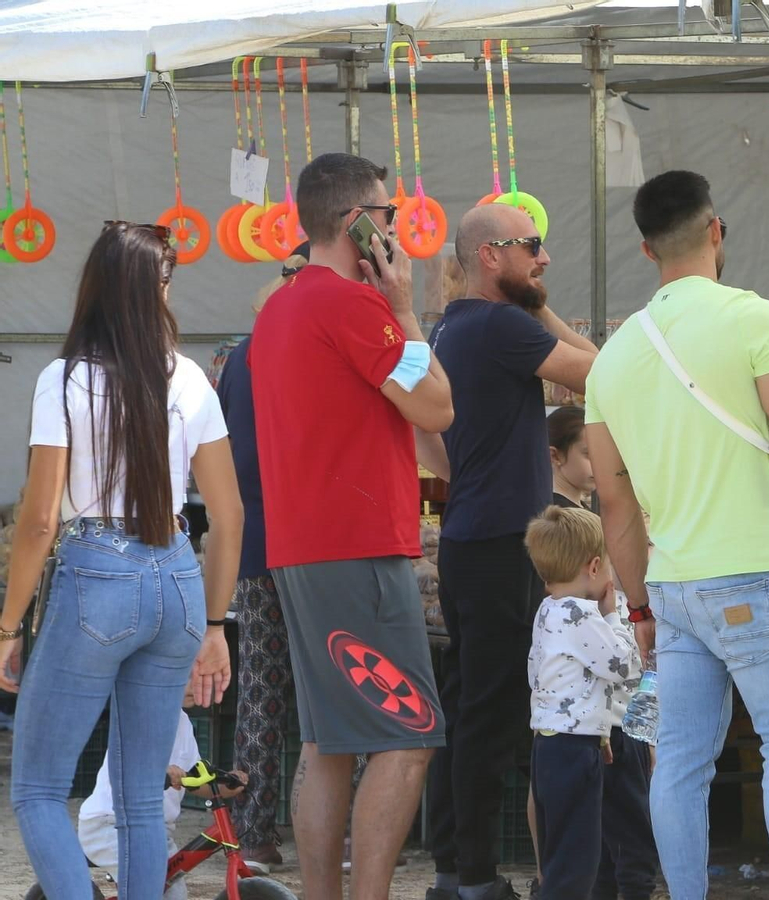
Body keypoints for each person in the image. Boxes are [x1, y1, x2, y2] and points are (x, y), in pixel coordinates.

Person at [586, 170, 769, 898]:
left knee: (682, 761)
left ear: (645, 249)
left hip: (673, 586)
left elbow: (614, 499)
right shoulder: (754, 318)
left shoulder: (614, 357)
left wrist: (638, 606)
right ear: (715, 230)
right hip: (754, 572)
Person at [0, 221, 243, 900]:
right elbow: (229, 514)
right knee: (141, 797)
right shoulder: (189, 377)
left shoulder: (67, 379)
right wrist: (217, 625)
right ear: (157, 289)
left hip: (97, 571)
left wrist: (8, 625)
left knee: (41, 788)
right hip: (177, 577)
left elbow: (40, 518)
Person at [248, 152, 452, 900]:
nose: (396, 227)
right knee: (407, 737)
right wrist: (402, 306)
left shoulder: (279, 307)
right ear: (356, 222)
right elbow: (435, 406)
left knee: (327, 742)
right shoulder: (351, 305)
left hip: (304, 548)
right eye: (388, 213)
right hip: (359, 548)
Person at [418, 203, 596, 900]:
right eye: (531, 248)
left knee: (469, 709)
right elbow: (602, 377)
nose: (543, 259)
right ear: (490, 256)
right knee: (489, 715)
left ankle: (452, 866)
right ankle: (475, 879)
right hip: (498, 544)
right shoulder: (498, 324)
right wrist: (544, 314)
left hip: (474, 536)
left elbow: (429, 438)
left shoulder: (455, 327)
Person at [215, 244, 308, 872]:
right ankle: (337, 828)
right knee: (328, 684)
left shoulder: (239, 358)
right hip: (305, 542)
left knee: (262, 689)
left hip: (251, 541)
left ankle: (254, 831)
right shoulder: (294, 351)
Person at [524, 506, 656, 900]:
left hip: (548, 742)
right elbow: (625, 664)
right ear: (595, 566)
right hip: (573, 749)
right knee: (577, 861)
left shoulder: (547, 610)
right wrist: (616, 617)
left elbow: (539, 675)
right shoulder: (581, 615)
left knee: (561, 850)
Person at [78, 695, 249, 900]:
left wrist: (226, 785)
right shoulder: (142, 712)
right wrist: (159, 771)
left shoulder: (183, 723)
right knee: (147, 884)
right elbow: (126, 764)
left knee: (174, 895)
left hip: (156, 832)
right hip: (111, 825)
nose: (195, 685)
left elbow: (194, 780)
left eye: (202, 677)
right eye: (187, 675)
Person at [549, 406, 595, 510]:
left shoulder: (579, 507)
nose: (600, 465)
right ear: (555, 456)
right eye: (589, 455)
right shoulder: (558, 518)